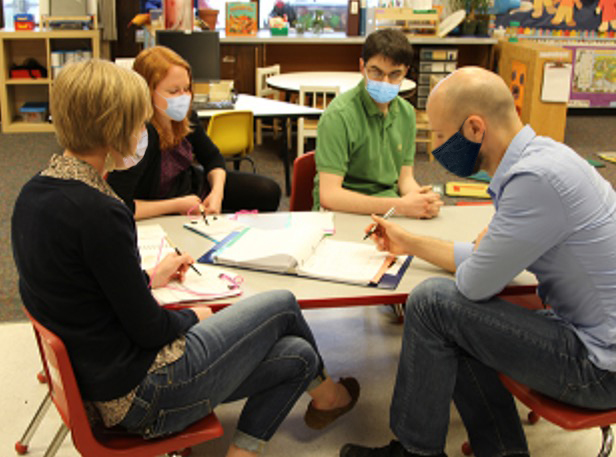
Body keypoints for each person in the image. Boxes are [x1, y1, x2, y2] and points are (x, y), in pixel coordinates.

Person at [11, 59, 359, 457]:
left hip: (94, 381)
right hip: (140, 395)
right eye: (138, 123)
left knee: (298, 357)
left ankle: (252, 446)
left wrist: (147, 279)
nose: (142, 132)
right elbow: (151, 330)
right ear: (114, 127)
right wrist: (199, 315)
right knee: (281, 304)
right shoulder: (101, 212)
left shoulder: (34, 193)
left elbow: (82, 287)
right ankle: (329, 395)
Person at [340, 66, 616, 457]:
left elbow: (473, 284)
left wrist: (479, 253)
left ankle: (415, 452)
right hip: (596, 343)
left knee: (434, 303)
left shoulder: (533, 180)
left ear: (474, 128)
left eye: (438, 134)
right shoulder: (547, 158)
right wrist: (410, 241)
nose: (435, 149)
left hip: (600, 368)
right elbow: (485, 264)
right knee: (459, 319)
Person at [106, 46, 281, 220]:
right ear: (147, 93)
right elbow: (119, 204)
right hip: (157, 205)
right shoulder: (139, 134)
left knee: (267, 191)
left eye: (187, 88)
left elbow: (213, 158)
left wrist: (216, 194)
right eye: (174, 91)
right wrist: (177, 204)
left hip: (189, 189)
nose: (184, 97)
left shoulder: (186, 117)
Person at [312, 28, 443, 218]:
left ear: (405, 72)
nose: (385, 81)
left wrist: (421, 199)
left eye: (395, 74)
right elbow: (330, 196)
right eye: (376, 72)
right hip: (342, 211)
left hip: (388, 207)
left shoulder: (406, 113)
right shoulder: (339, 116)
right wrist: (400, 206)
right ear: (361, 67)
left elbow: (405, 179)